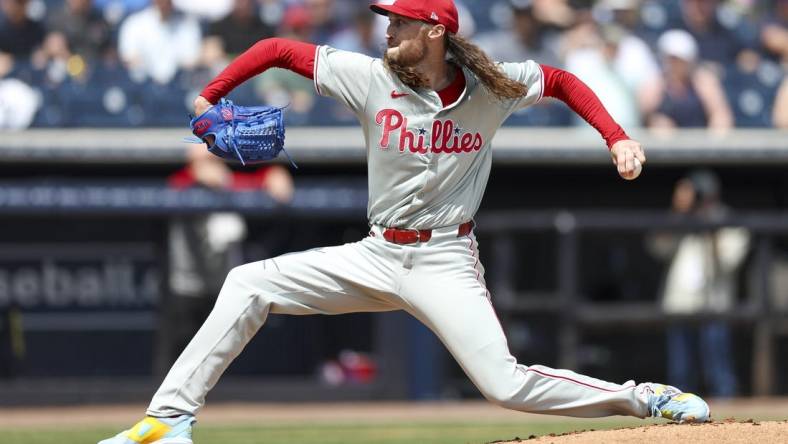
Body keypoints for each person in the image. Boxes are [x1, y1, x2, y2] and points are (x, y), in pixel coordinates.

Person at [99, 1, 709, 443]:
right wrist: (211, 94)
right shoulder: (370, 76)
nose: (386, 28)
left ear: (434, 31)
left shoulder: (490, 87)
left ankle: (641, 397)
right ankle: (169, 420)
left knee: (505, 386)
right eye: (387, 19)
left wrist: (616, 136)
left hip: (445, 258)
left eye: (398, 21)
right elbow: (278, 49)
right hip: (376, 252)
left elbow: (561, 80)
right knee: (247, 283)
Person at [155, 144, 293, 376]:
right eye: (202, 158)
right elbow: (177, 185)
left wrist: (274, 174)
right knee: (177, 357)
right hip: (186, 287)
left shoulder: (230, 182)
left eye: (212, 158)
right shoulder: (182, 181)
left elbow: (265, 182)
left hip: (224, 286)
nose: (208, 164)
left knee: (226, 357)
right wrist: (197, 172)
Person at [647, 170, 749, 398]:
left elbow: (729, 260)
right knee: (680, 368)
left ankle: (727, 410)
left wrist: (709, 225)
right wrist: (678, 213)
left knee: (718, 365)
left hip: (714, 302)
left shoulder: (727, 219)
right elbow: (657, 248)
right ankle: (680, 406)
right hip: (680, 302)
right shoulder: (680, 219)